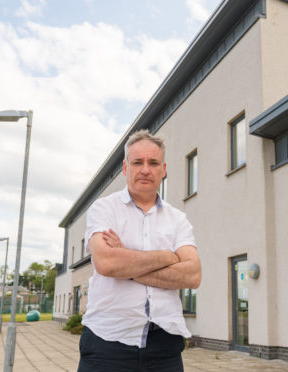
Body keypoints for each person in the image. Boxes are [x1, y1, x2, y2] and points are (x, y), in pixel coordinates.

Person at [77, 129, 201, 372]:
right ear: (125, 168)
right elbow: (107, 264)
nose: (146, 169)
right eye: (138, 162)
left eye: (153, 163)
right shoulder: (104, 209)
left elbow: (192, 276)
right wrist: (167, 257)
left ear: (163, 170)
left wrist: (127, 260)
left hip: (165, 347)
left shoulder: (178, 220)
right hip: (107, 343)